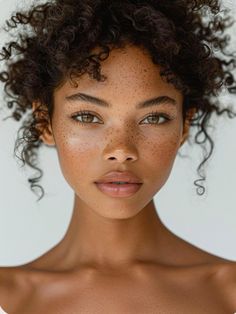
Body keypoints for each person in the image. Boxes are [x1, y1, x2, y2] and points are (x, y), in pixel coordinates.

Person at [0, 0, 236, 312]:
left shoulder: (227, 292)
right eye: (87, 116)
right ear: (45, 122)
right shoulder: (8, 296)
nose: (121, 150)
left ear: (184, 126)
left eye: (153, 118)